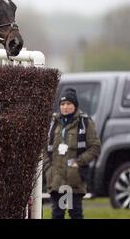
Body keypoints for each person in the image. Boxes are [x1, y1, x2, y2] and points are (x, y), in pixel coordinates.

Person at [44, 88, 101, 219]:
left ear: (75, 105)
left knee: (75, 214)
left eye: (69, 104)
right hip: (56, 179)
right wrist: (48, 169)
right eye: (62, 104)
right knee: (57, 214)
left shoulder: (85, 123)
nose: (65, 107)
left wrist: (79, 162)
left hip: (74, 180)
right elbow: (44, 149)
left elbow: (95, 148)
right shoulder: (53, 123)